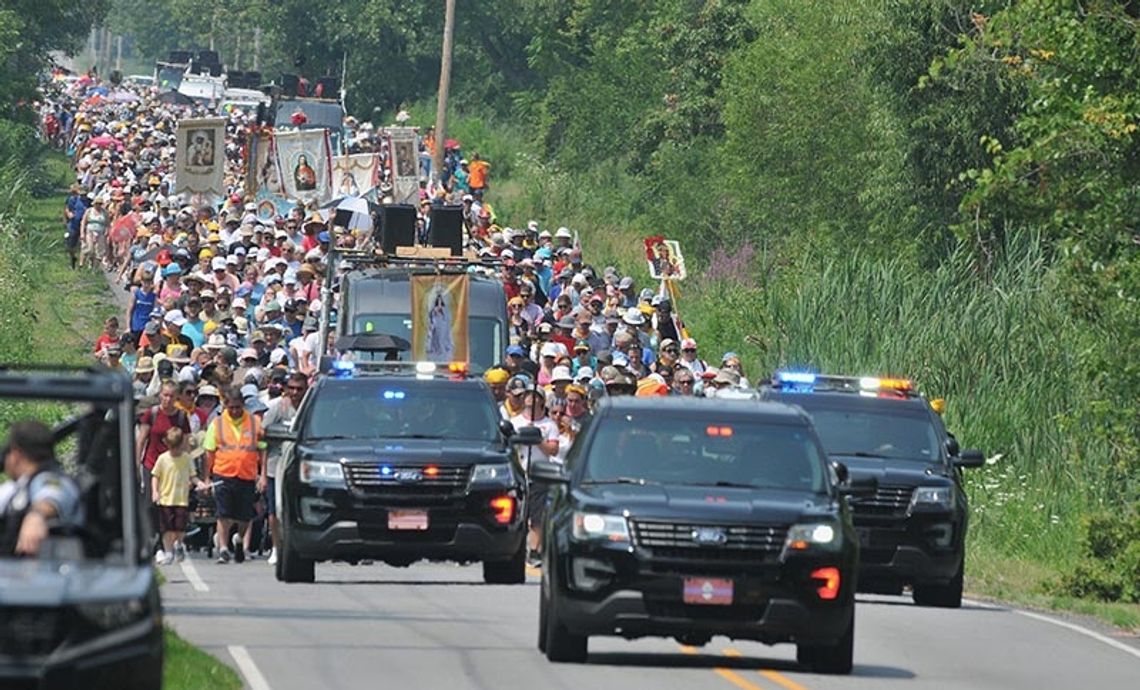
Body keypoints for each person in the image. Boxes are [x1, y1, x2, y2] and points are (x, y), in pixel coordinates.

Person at [202, 386, 266, 564]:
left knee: (244, 516)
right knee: (223, 514)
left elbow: (263, 450)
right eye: (231, 407)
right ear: (226, 406)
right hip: (223, 473)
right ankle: (223, 548)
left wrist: (263, 475)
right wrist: (206, 477)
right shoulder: (218, 423)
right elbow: (209, 452)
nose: (235, 411)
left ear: (243, 405)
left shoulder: (254, 423)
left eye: (238, 407)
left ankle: (239, 539)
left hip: (246, 475)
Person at [0, 420, 83, 557]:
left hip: (46, 574)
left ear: (15, 454)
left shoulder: (51, 480)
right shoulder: (17, 488)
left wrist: (36, 516)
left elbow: (53, 495)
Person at [261, 372, 306, 566]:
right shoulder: (277, 408)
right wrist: (262, 474)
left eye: (299, 389)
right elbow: (263, 437)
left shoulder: (309, 408)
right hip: (275, 467)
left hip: (300, 468)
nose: (295, 393)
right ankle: (276, 547)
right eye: (292, 388)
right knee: (274, 511)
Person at [151, 427, 202, 565]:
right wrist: (155, 492)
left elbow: (193, 476)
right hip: (165, 499)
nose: (175, 450)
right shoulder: (162, 459)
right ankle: (168, 552)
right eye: (172, 447)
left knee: (180, 528)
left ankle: (179, 544)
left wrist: (200, 483)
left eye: (177, 447)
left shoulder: (186, 458)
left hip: (181, 500)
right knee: (166, 528)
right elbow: (155, 476)